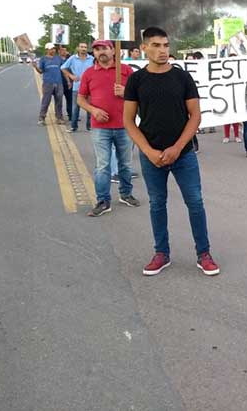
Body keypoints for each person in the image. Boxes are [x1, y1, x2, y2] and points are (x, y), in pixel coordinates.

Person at [123, 26, 219, 277]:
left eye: (165, 45)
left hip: (183, 155)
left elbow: (195, 116)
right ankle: (161, 253)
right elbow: (129, 121)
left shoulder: (181, 77)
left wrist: (178, 147)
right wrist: (148, 151)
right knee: (157, 204)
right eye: (156, 45)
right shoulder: (136, 80)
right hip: (151, 155)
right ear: (144, 48)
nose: (162, 50)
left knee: (195, 203)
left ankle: (204, 253)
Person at [77, 40, 140, 217]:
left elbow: (140, 94)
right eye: (96, 49)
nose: (100, 52)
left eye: (104, 48)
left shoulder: (126, 70)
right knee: (102, 165)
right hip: (100, 128)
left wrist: (126, 91)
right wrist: (93, 110)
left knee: (125, 164)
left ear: (113, 50)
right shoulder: (89, 73)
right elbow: (80, 99)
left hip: (125, 125)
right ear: (94, 54)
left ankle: (126, 194)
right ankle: (103, 200)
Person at [61, 42, 94, 132]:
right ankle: (73, 127)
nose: (83, 48)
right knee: (75, 108)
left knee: (90, 107)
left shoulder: (92, 59)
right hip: (77, 87)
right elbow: (63, 68)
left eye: (85, 47)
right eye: (82, 47)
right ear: (78, 48)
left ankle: (90, 126)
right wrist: (71, 76)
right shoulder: (72, 58)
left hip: (90, 88)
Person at [33, 43, 65, 125]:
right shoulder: (43, 59)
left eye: (54, 49)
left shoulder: (58, 58)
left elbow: (64, 66)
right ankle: (41, 118)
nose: (53, 50)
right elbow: (41, 71)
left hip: (58, 83)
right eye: (51, 49)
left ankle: (59, 118)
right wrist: (35, 67)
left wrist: (63, 53)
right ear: (47, 50)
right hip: (48, 83)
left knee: (59, 101)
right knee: (46, 101)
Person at [58, 46, 73, 121]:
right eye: (62, 50)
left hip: (69, 83)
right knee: (59, 100)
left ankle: (71, 115)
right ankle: (59, 116)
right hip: (59, 83)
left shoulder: (69, 60)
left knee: (70, 100)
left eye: (65, 50)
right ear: (59, 51)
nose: (63, 52)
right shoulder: (57, 60)